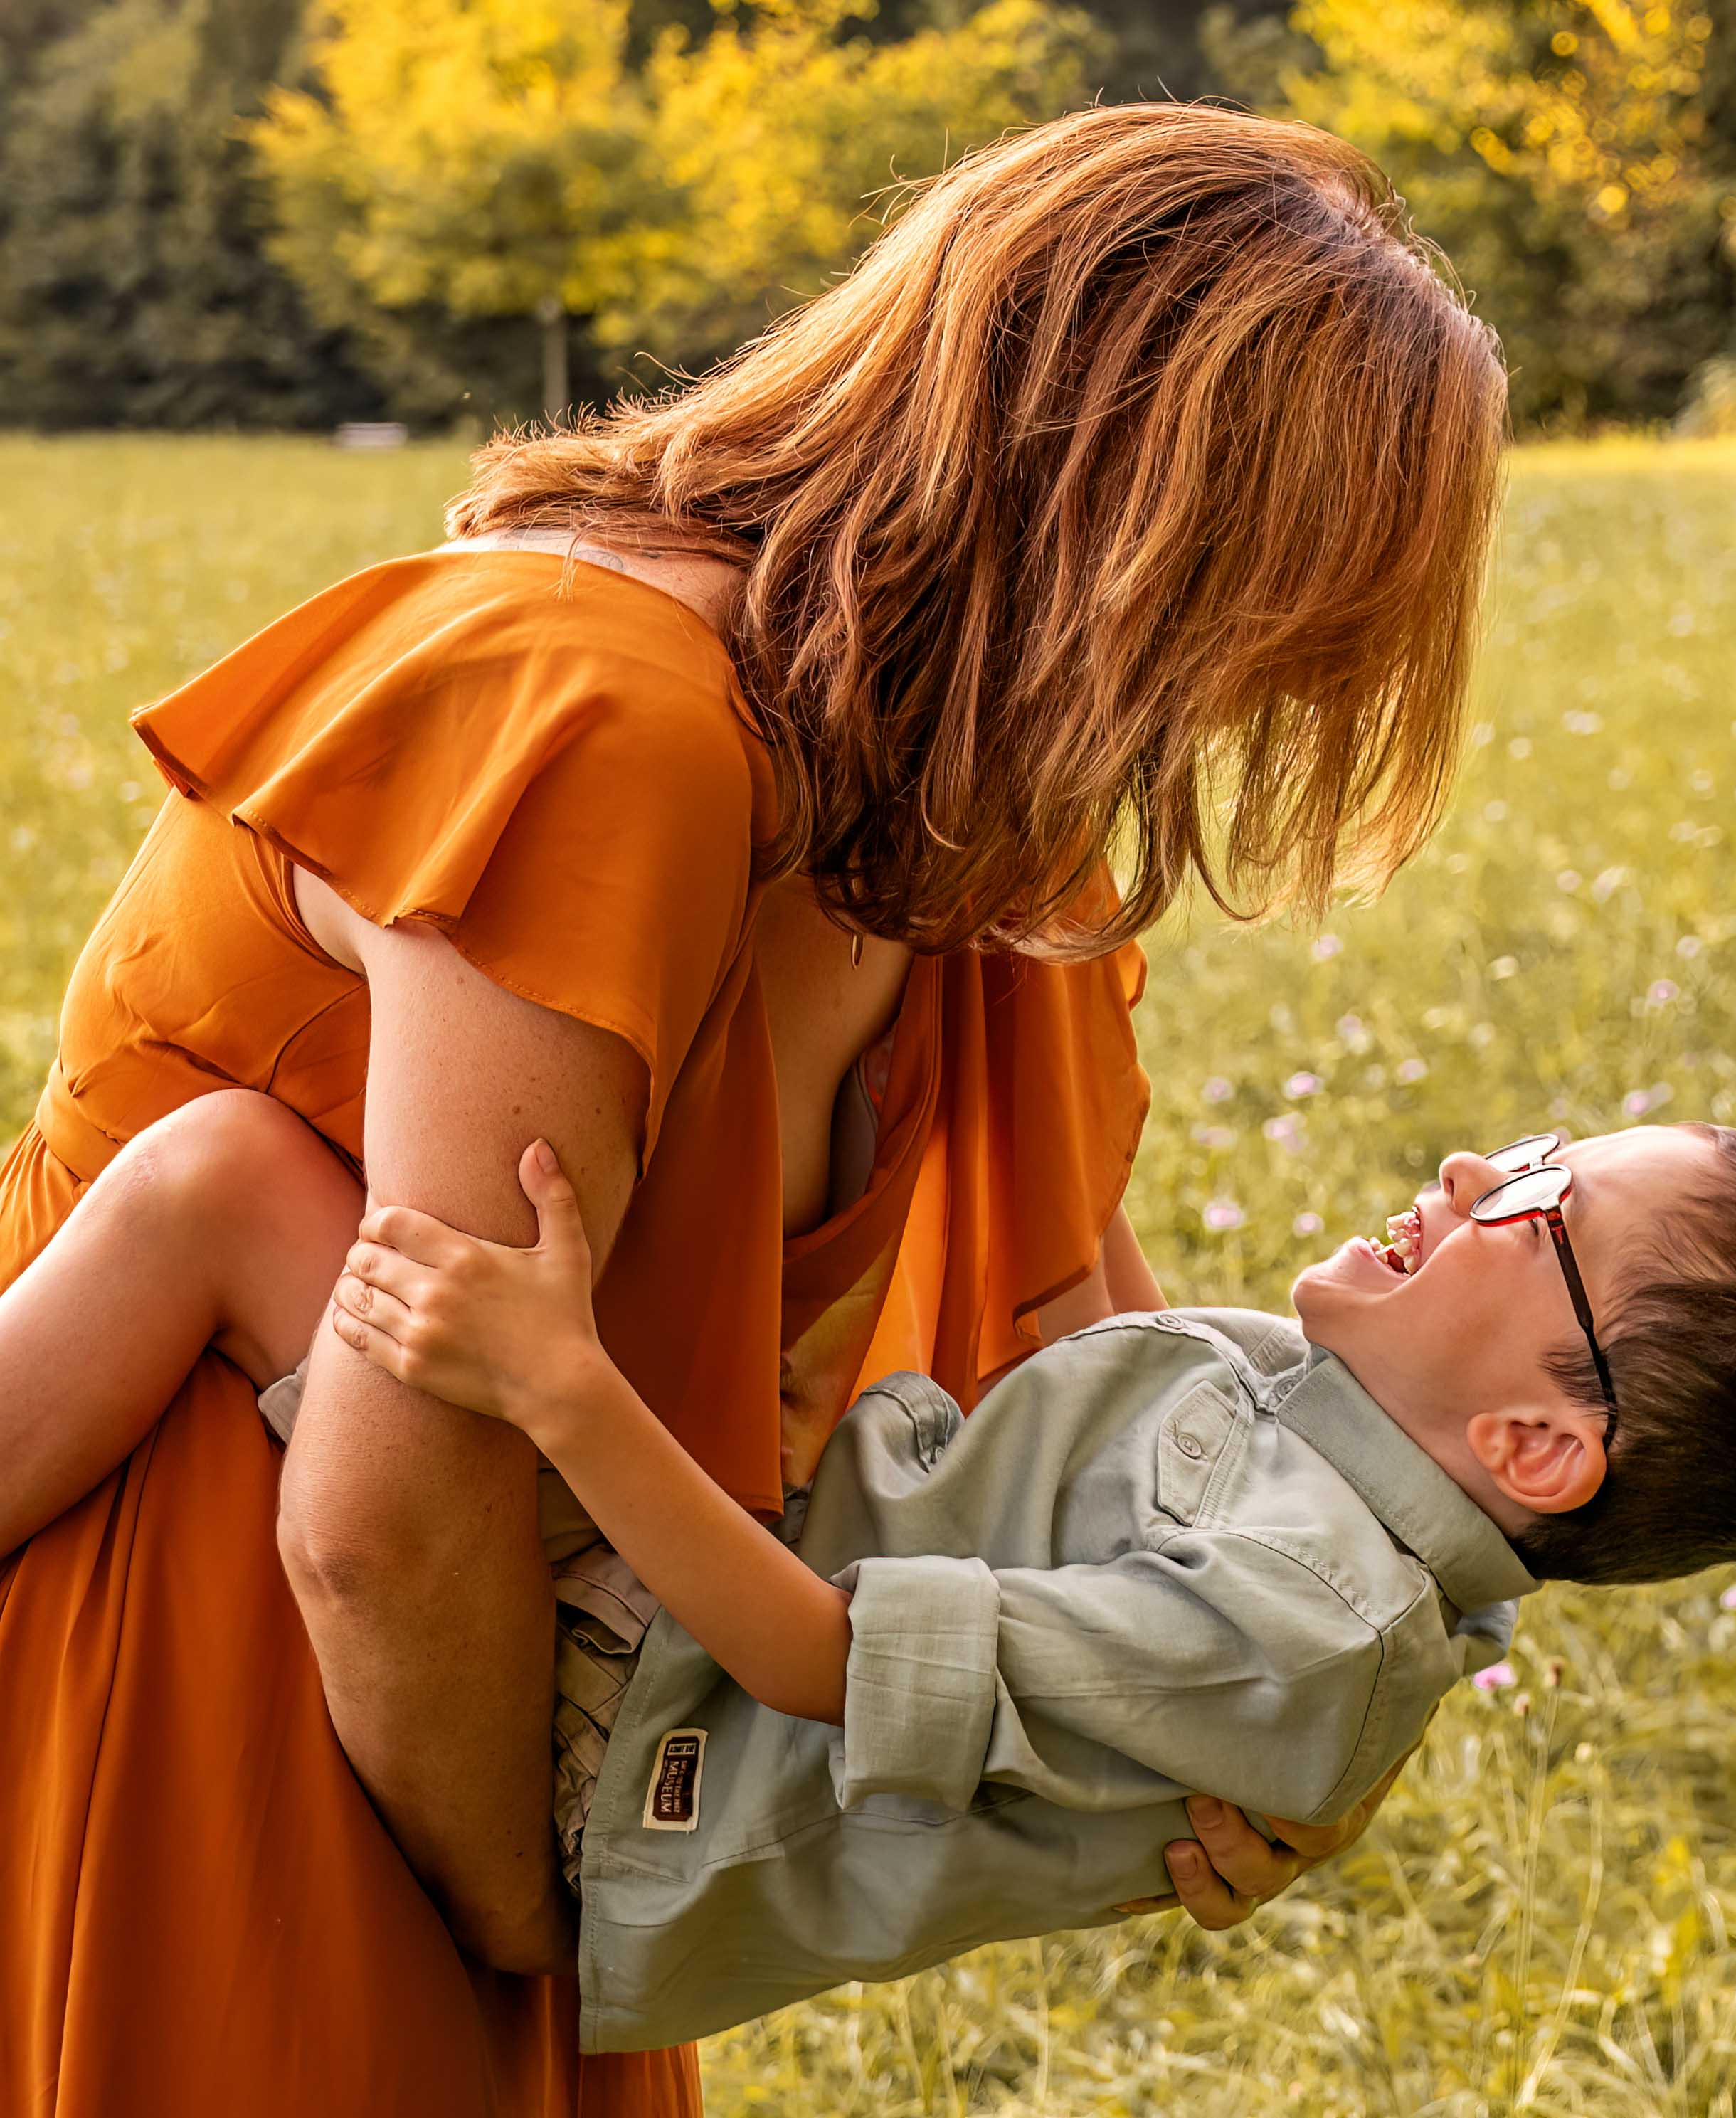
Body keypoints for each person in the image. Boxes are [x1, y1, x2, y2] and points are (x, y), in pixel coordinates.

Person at [0, 103, 1505, 2114]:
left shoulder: (978, 828)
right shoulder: (597, 712)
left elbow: (1082, 1383)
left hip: (520, 1706)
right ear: (1116, 524)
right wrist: (540, 1915)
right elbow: (379, 1506)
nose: (1243, 706)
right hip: (204, 1642)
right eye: (1267, 622)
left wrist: (1215, 1719)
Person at [0, 1100, 1736, 2051]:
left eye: (1534, 1200)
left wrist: (563, 1390)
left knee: (229, 1181)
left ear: (1541, 1447)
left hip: (637, 1737)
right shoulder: (1349, 1462)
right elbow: (1088, 1303)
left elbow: (826, 1661)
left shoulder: (1314, 1617)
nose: (1474, 1162)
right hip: (682, 1644)